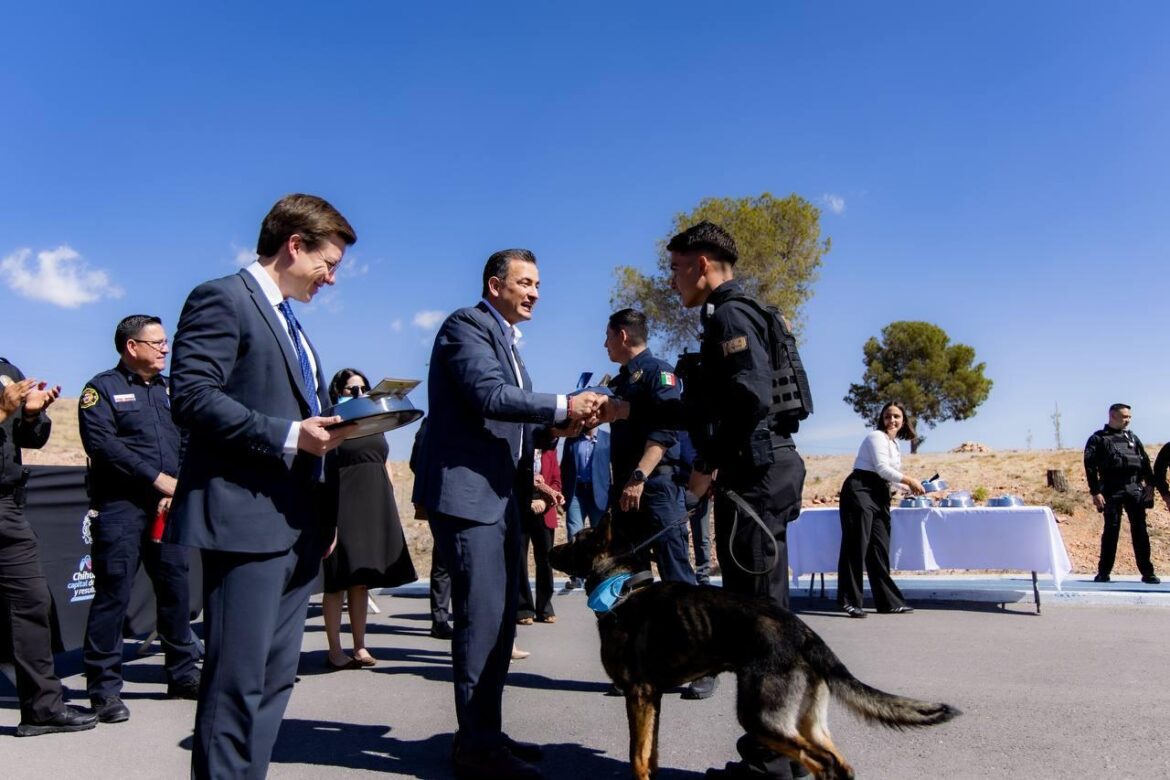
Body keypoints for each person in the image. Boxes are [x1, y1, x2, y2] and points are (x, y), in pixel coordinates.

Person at [601, 221, 812, 780]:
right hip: (759, 472)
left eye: (675, 268)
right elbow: (706, 406)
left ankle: (770, 765)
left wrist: (707, 462)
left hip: (755, 474)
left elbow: (748, 397)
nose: (671, 281)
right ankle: (779, 757)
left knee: (760, 624)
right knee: (763, 619)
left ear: (701, 264)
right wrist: (630, 410)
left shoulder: (730, 315)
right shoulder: (736, 313)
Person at [167, 193, 355, 778]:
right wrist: (291, 435)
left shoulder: (293, 324)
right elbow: (192, 397)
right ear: (294, 245)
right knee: (236, 681)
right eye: (327, 264)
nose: (330, 278)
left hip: (298, 526)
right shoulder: (222, 298)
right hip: (245, 523)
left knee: (274, 681)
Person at [411, 247, 604, 780]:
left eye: (538, 284)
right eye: (525, 283)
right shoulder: (465, 327)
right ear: (495, 285)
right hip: (470, 499)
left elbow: (517, 423)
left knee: (499, 620)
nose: (535, 293)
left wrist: (561, 427)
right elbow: (489, 397)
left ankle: (485, 733)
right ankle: (476, 750)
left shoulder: (509, 342)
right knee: (480, 620)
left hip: (503, 498)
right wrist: (564, 404)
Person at [77, 315, 201, 724]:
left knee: (176, 590)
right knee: (113, 595)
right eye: (157, 342)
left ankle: (183, 674)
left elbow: (188, 440)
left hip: (168, 506)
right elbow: (103, 445)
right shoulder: (101, 389)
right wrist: (156, 478)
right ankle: (104, 690)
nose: (166, 348)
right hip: (121, 508)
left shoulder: (171, 390)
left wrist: (176, 486)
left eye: (166, 341)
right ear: (132, 347)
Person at [0, 360, 95, 737]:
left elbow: (31, 440)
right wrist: (3, 410)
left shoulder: (7, 371)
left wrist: (31, 415)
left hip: (7, 507)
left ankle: (42, 709)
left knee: (32, 602)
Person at [322, 368, 418, 670]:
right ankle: (334, 649)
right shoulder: (332, 421)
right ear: (338, 392)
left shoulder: (375, 421)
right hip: (342, 501)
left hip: (374, 501)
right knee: (337, 581)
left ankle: (360, 645)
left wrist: (390, 495)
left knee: (362, 580)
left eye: (363, 388)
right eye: (351, 389)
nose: (359, 393)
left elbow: (384, 461)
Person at [604, 308, 695, 587]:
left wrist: (639, 476)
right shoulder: (618, 383)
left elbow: (666, 430)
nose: (605, 344)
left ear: (622, 335)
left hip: (655, 487)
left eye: (608, 337)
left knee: (675, 578)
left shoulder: (659, 372)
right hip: (626, 490)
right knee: (633, 579)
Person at [836, 402, 924, 618]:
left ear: (904, 420)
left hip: (879, 494)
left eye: (896, 416)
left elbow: (890, 478)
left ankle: (888, 602)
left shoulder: (895, 444)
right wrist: (910, 480)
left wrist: (912, 488)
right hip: (860, 491)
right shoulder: (876, 437)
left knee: (879, 548)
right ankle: (849, 601)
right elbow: (882, 469)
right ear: (882, 419)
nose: (892, 420)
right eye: (887, 416)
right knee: (856, 546)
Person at [1083, 403, 1160, 584]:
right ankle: (1103, 572)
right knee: (1112, 530)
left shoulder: (1132, 438)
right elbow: (1090, 467)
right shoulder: (1098, 439)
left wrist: (1150, 486)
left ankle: (1148, 573)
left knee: (1140, 530)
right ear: (1113, 416)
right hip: (1111, 489)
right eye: (1125, 417)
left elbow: (1145, 463)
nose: (1128, 420)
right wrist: (1095, 492)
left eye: (1129, 417)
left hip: (1134, 488)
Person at [409, 419, 454, 640]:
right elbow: (416, 461)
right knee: (446, 562)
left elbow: (414, 462)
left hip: (441, 500)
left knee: (443, 561)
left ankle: (441, 619)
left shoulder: (429, 425)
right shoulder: (431, 426)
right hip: (447, 500)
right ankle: (443, 620)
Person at [558, 427, 609, 591]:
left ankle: (600, 574)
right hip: (576, 493)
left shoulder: (607, 439)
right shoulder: (572, 439)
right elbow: (564, 467)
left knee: (600, 536)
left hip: (598, 493)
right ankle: (576, 577)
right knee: (574, 532)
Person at [517, 447, 562, 624]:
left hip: (545, 510)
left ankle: (545, 607)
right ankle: (523, 609)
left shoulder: (550, 452)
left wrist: (544, 501)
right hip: (521, 508)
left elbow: (556, 482)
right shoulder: (520, 448)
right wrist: (527, 501)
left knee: (545, 559)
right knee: (519, 559)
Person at [678, 430, 712, 586]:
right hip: (680, 487)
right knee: (680, 534)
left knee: (702, 536)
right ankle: (684, 573)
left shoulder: (702, 431)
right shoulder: (675, 432)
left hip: (703, 486)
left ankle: (703, 576)